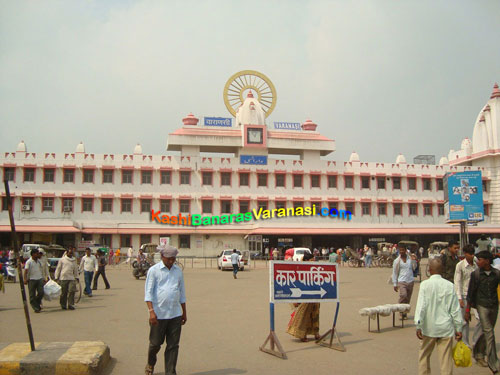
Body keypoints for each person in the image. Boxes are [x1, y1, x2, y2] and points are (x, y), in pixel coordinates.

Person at [415, 258, 463, 375]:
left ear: (430, 270)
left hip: (428, 328)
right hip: (445, 328)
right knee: (446, 360)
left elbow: (421, 306)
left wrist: (418, 324)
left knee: (424, 357)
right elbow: (455, 310)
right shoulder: (449, 285)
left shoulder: (425, 285)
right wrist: (458, 328)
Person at [144, 245, 187, 375]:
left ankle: (170, 371)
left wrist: (184, 312)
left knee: (173, 346)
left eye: (173, 259)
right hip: (159, 315)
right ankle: (150, 363)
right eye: (168, 258)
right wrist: (151, 311)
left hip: (175, 314)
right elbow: (148, 293)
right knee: (155, 344)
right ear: (162, 257)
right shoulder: (154, 271)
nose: (170, 261)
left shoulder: (178, 271)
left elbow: (182, 293)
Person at [466, 251, 500, 371]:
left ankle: (478, 353)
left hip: (494, 306)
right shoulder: (475, 275)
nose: (477, 261)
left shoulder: (496, 274)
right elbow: (470, 293)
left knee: (487, 332)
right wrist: (467, 310)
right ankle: (494, 363)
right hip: (482, 306)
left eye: (479, 259)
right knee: (489, 333)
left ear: (487, 261)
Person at [286, 252, 320, 342]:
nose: (313, 262)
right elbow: (295, 284)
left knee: (315, 314)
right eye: (311, 260)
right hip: (304, 296)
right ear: (306, 261)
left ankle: (316, 333)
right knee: (304, 315)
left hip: (315, 295)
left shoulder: (315, 269)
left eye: (314, 260)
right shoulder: (300, 269)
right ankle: (302, 335)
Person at [454, 244, 481, 349]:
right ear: (465, 254)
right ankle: (465, 343)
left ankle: (476, 342)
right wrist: (459, 298)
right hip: (464, 296)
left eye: (473, 253)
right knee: (464, 321)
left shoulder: (476, 264)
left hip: (476, 296)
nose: (472, 255)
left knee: (480, 319)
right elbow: (458, 282)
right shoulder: (460, 265)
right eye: (470, 254)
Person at [392, 244, 417, 319]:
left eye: (403, 250)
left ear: (406, 250)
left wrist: (414, 260)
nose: (402, 251)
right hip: (401, 281)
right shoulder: (397, 261)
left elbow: (414, 267)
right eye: (400, 250)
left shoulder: (410, 259)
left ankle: (404, 313)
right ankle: (400, 308)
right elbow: (395, 272)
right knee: (403, 295)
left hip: (410, 280)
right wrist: (395, 283)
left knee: (408, 298)